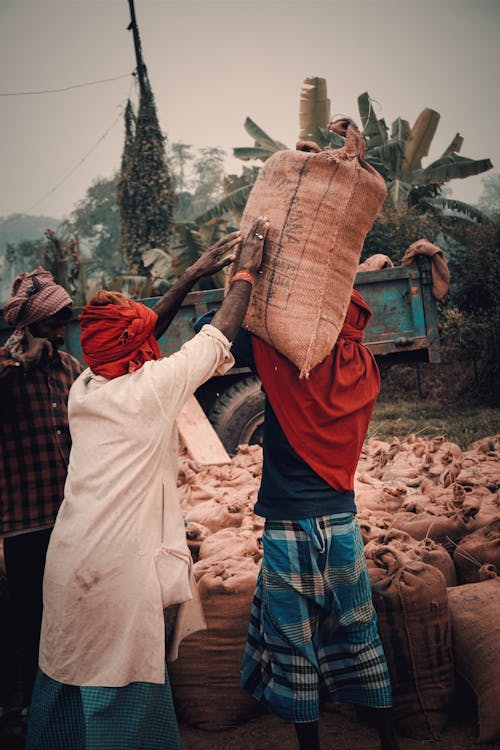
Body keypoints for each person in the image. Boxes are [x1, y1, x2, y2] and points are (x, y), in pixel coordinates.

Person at [25, 217, 269, 750]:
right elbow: (219, 335)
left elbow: (139, 331)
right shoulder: (150, 392)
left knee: (67, 677)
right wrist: (245, 269)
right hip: (117, 575)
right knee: (121, 687)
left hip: (69, 563)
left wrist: (191, 274)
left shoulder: (87, 386)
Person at [196, 287, 400, 750]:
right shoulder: (366, 369)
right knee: (360, 628)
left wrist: (260, 289)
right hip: (343, 525)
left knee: (293, 640)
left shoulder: (284, 361)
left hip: (288, 526)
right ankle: (389, 738)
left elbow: (210, 327)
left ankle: (311, 743)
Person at [0, 268, 83, 715]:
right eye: (53, 322)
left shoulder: (71, 370)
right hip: (24, 522)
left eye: (64, 320)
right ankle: (35, 709)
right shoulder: (7, 367)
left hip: (71, 518)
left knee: (73, 614)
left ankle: (71, 702)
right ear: (28, 325)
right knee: (32, 619)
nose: (60, 329)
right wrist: (21, 361)